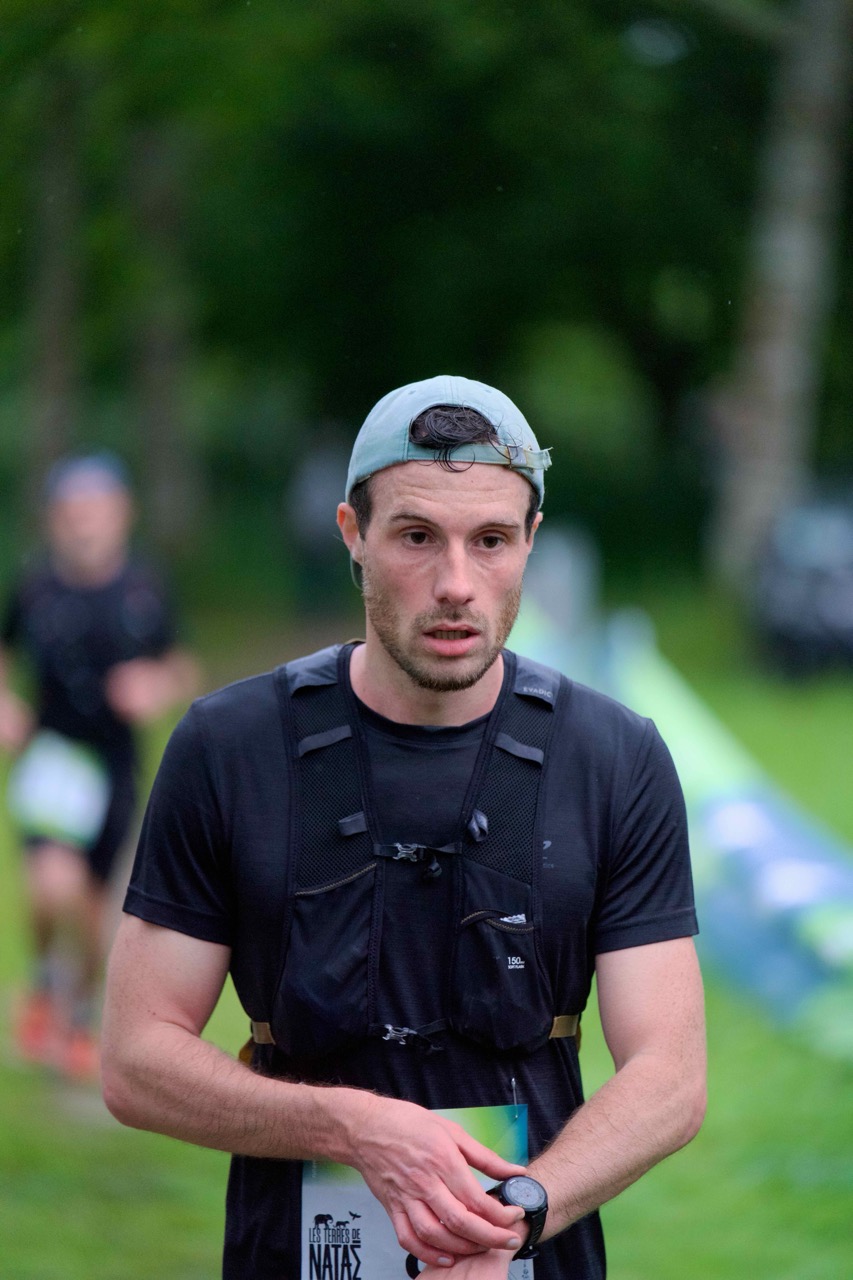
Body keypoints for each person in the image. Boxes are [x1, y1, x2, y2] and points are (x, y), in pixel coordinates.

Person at [101, 376, 706, 1279]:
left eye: (490, 541)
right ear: (352, 532)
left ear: (530, 541)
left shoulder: (613, 758)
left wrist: (519, 1213)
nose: (455, 585)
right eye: (416, 537)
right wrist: (349, 1126)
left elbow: (670, 1076)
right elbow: (135, 1059)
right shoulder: (229, 748)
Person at [0, 452, 198, 1082]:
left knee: (92, 911)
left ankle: (80, 1010)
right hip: (52, 757)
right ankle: (42, 982)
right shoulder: (35, 587)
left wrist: (152, 684)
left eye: (96, 510)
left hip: (115, 767)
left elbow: (180, 667)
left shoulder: (144, 588)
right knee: (50, 886)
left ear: (121, 514)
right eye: (71, 511)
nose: (84, 522)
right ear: (54, 519)